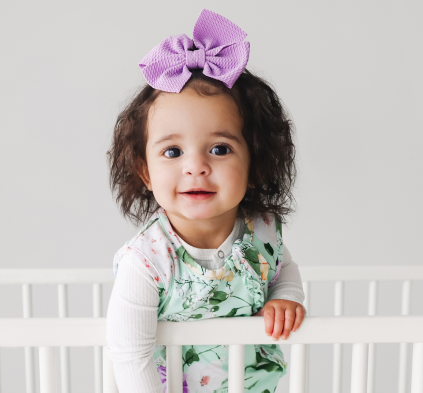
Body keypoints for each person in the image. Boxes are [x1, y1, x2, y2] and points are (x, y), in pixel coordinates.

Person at [105, 9, 305, 393]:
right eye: (172, 152)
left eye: (219, 148)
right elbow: (130, 356)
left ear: (254, 162)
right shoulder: (146, 261)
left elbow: (285, 269)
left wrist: (285, 298)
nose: (196, 166)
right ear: (145, 172)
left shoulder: (261, 231)